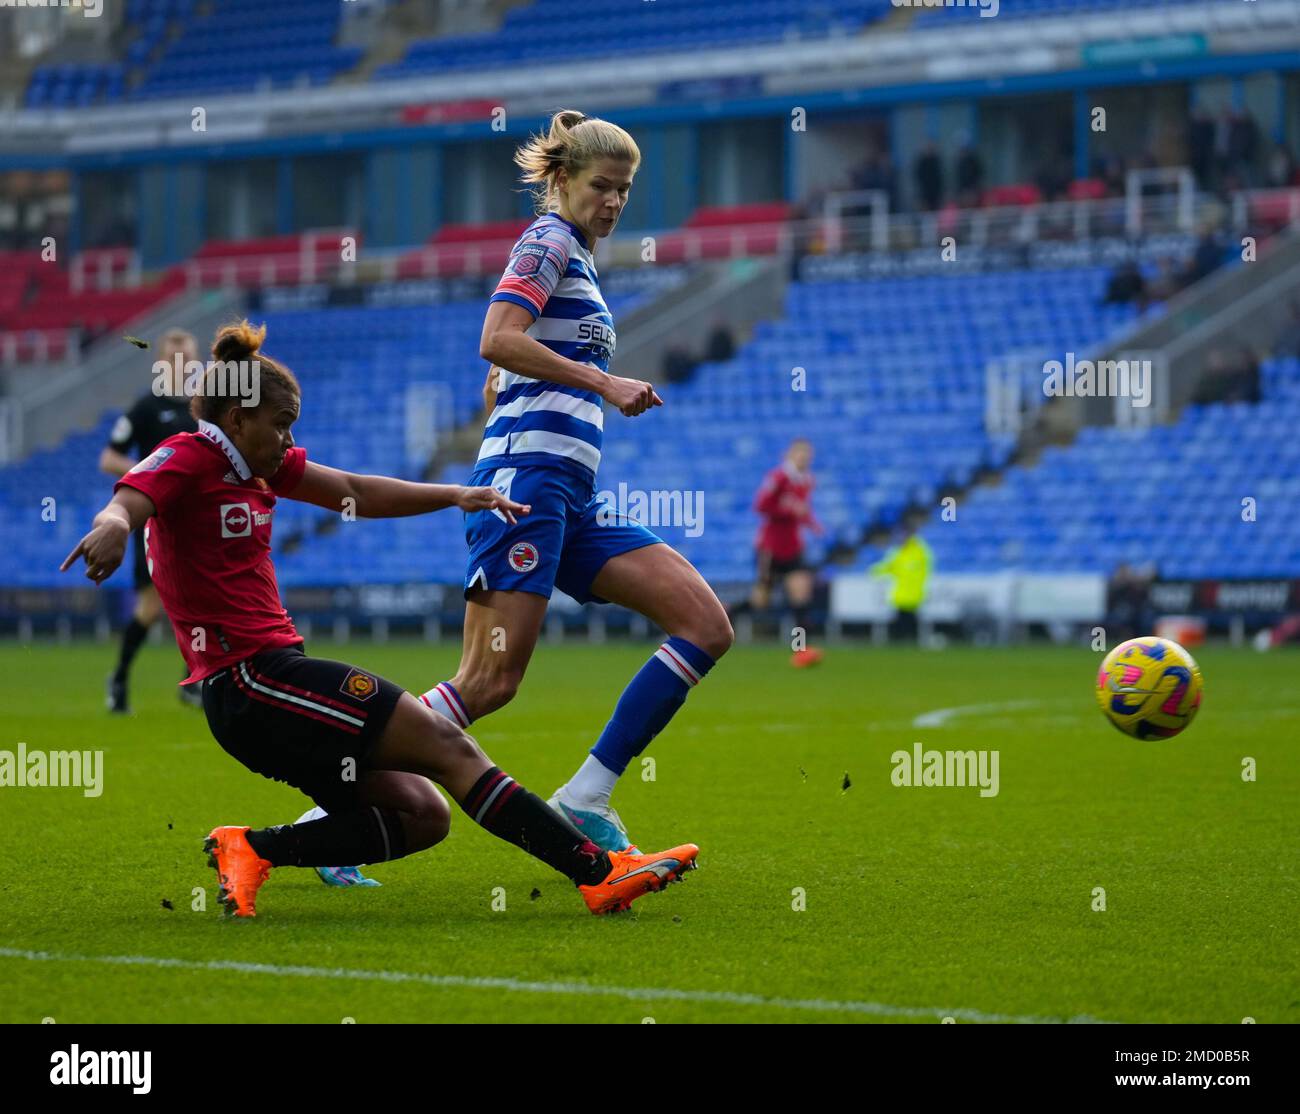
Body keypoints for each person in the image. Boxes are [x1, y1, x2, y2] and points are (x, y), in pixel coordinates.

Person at [61, 320, 699, 918]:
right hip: (253, 681)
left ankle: (252, 848)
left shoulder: (257, 463)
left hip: (270, 690)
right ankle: (597, 873)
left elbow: (356, 493)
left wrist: (455, 494)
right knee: (450, 748)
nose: (288, 440)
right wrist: (113, 529)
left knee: (422, 815)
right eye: (281, 425)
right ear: (238, 417)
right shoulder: (190, 455)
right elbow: (129, 498)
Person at [306, 111, 732, 865]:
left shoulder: (579, 258)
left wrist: (518, 380)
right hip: (525, 487)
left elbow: (508, 361)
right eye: (602, 186)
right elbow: (496, 337)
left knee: (705, 625)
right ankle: (332, 813)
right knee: (491, 681)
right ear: (563, 182)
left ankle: (586, 796)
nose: (614, 202)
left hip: (572, 496)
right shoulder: (546, 240)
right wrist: (602, 380)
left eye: (625, 191)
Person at [99, 328, 200, 713]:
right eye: (175, 359)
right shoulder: (145, 407)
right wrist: (153, 471)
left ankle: (193, 683)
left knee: (203, 601)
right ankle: (120, 677)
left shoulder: (205, 408)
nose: (182, 365)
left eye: (188, 358)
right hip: (155, 521)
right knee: (150, 608)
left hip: (196, 521)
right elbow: (109, 458)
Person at [750, 438, 823, 667]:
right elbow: (760, 506)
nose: (805, 459)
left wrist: (813, 524)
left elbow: (801, 510)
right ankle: (717, 620)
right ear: (790, 455)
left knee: (801, 594)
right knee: (761, 600)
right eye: (801, 454)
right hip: (771, 548)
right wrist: (788, 509)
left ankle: (800, 649)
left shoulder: (807, 480)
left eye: (808, 455)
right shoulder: (778, 477)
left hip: (792, 548)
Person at [871, 523, 933, 643]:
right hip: (901, 593)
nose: (901, 539)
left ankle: (911, 640)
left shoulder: (919, 551)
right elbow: (889, 566)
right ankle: (902, 640)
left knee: (910, 619)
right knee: (902, 619)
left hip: (914, 592)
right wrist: (874, 571)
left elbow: (925, 568)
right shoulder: (899, 552)